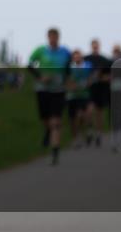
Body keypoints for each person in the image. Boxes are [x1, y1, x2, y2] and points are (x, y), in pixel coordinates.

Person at [27, 28, 71, 165]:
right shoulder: (40, 50)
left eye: (55, 37)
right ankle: (47, 130)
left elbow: (69, 68)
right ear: (48, 37)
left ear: (59, 37)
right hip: (42, 90)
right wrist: (40, 77)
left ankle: (55, 153)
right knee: (45, 119)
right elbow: (29, 65)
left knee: (56, 122)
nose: (53, 39)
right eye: (51, 37)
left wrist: (68, 80)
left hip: (59, 90)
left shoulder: (65, 52)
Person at [84, 39, 112, 147]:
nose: (95, 47)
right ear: (91, 46)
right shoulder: (86, 59)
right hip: (89, 89)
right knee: (89, 111)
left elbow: (110, 76)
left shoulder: (105, 60)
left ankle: (99, 134)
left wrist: (101, 77)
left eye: (97, 45)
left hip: (101, 89)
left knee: (99, 113)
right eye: (93, 45)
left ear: (99, 46)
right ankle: (90, 130)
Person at [66, 49, 93, 148]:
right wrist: (71, 86)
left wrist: (87, 84)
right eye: (75, 56)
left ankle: (86, 132)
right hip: (71, 96)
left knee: (82, 115)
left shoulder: (87, 66)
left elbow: (91, 78)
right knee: (73, 119)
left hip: (84, 95)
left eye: (78, 56)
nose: (77, 58)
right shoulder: (70, 67)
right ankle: (76, 138)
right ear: (73, 58)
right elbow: (66, 80)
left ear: (81, 57)